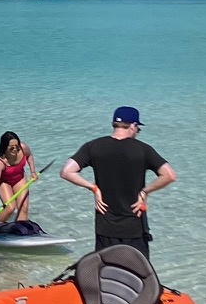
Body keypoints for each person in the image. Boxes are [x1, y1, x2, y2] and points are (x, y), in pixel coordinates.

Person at [61, 106, 177, 257]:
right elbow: (169, 175)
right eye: (138, 129)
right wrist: (145, 191)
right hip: (134, 225)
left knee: (107, 272)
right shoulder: (143, 149)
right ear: (133, 125)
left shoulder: (93, 146)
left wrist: (93, 188)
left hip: (105, 226)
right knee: (137, 274)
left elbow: (66, 172)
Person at [0, 132, 42, 236]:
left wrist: (33, 172)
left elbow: (29, 156)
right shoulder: (0, 162)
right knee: (10, 207)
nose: (15, 150)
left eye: (17, 146)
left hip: (19, 178)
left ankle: (19, 233)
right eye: (12, 148)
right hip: (3, 181)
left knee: (23, 208)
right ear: (5, 147)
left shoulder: (23, 148)